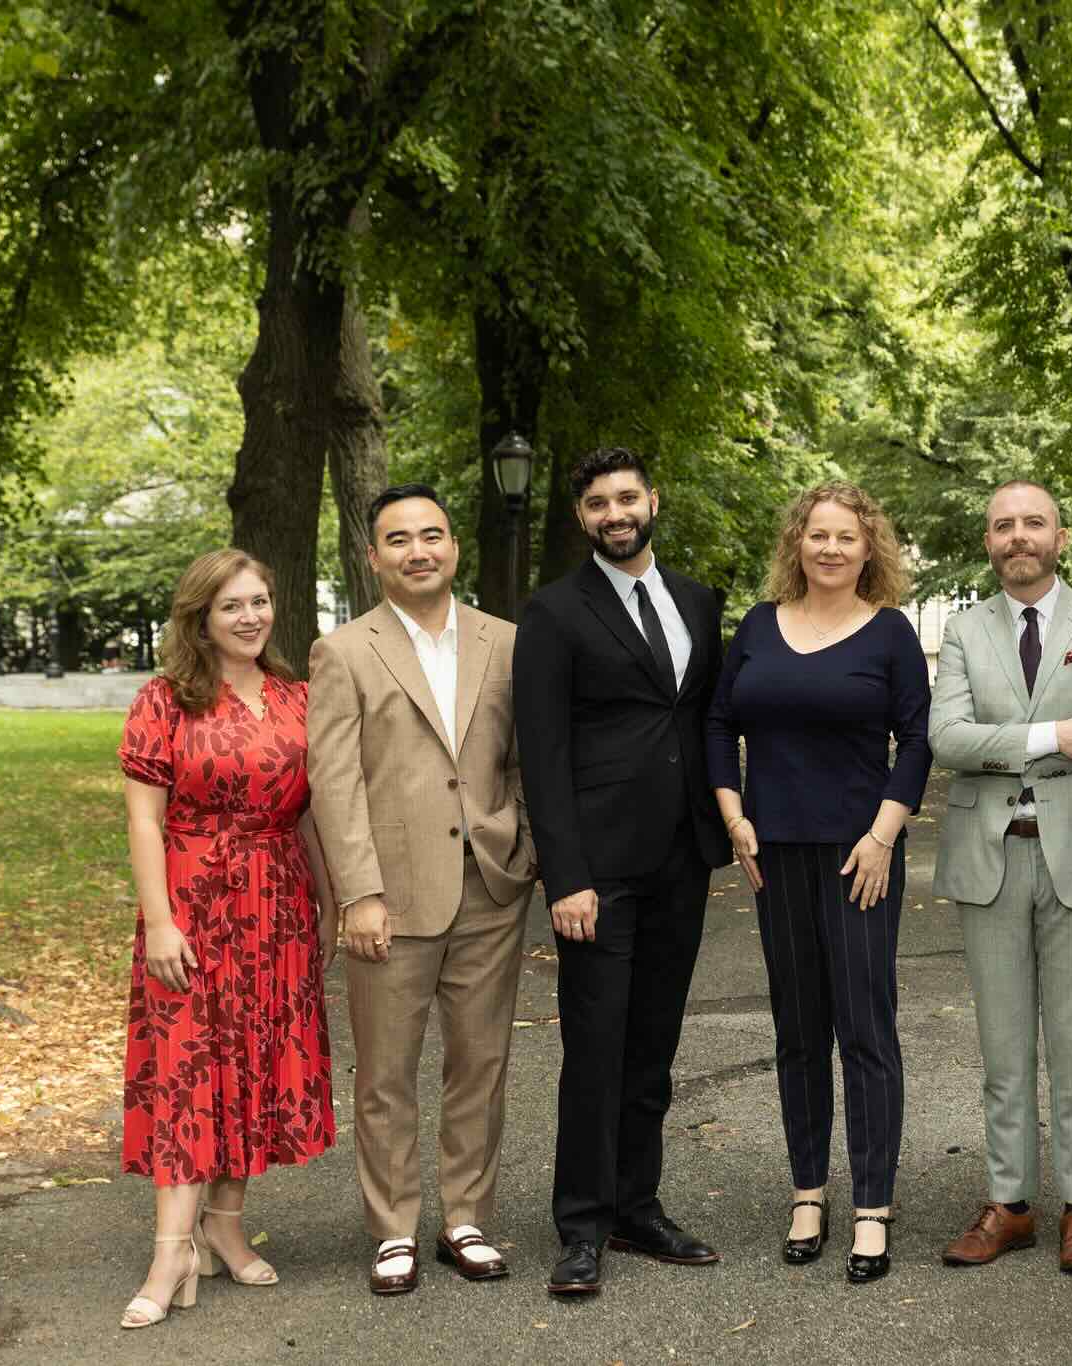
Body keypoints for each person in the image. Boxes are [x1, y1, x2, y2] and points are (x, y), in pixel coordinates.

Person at [307, 484, 538, 1296]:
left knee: (481, 1062)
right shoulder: (343, 652)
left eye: (432, 535)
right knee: (385, 1072)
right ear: (374, 558)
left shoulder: (507, 642)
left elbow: (528, 757)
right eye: (399, 540)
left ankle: (465, 1218)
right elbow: (335, 781)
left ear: (454, 546)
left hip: (490, 886)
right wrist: (358, 893)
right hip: (391, 894)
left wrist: (523, 846)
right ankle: (394, 1227)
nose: (419, 551)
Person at [515, 448, 733, 1298]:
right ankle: (581, 1225)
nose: (616, 513)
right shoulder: (553, 611)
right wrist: (565, 874)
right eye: (599, 503)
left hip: (682, 855)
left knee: (653, 1047)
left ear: (653, 501)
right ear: (582, 517)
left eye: (627, 497)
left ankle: (638, 1207)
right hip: (597, 870)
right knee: (596, 1048)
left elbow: (705, 717)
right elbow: (542, 750)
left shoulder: (697, 601)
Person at [707, 481, 933, 1285]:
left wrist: (882, 837)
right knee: (798, 1028)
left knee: (865, 1028)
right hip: (774, 850)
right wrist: (734, 815)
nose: (831, 548)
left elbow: (917, 741)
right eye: (818, 534)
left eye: (847, 536)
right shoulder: (758, 626)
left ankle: (873, 1203)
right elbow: (719, 722)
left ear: (869, 548)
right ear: (796, 544)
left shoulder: (891, 633)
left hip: (858, 853)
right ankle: (809, 1192)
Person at [117, 550, 338, 1329]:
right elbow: (143, 818)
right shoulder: (164, 699)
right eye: (232, 606)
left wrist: (330, 902)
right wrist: (160, 921)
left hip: (277, 905)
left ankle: (224, 1227)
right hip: (191, 903)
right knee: (187, 1069)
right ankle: (170, 1250)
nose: (251, 617)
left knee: (253, 1064)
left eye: (260, 601)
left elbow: (308, 814)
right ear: (200, 619)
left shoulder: (297, 698)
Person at [928, 480, 1072, 1275]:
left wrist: (1012, 739)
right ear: (989, 541)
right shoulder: (963, 629)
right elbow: (947, 738)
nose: (1018, 536)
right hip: (990, 856)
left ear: (1060, 537)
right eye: (1003, 525)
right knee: (1003, 1046)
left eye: (1033, 523)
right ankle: (1010, 1203)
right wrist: (1054, 734)